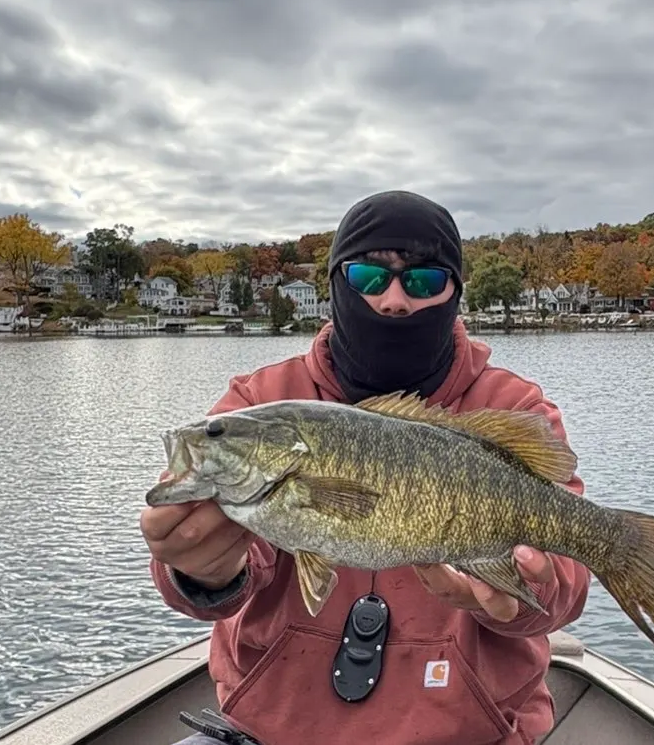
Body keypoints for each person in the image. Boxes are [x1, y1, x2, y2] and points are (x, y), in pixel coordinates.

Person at [140, 189, 590, 745]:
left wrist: (525, 594)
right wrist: (202, 571)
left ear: (455, 292)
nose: (394, 301)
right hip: (275, 731)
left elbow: (565, 584)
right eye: (369, 278)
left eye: (423, 281)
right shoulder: (259, 400)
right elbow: (225, 572)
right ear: (335, 284)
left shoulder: (513, 409)